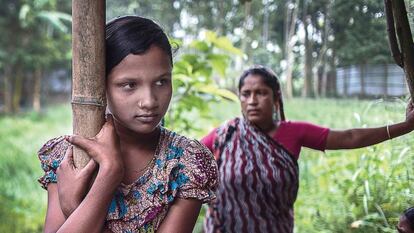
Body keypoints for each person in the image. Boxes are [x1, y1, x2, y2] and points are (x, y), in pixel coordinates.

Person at [37, 16, 218, 233]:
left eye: (161, 81)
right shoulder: (70, 157)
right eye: (129, 85)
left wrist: (74, 207)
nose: (149, 101)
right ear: (101, 86)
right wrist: (108, 175)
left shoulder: (184, 163)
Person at [201, 65, 414, 233]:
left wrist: (406, 126)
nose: (252, 101)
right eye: (246, 94)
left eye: (261, 93)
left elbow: (350, 138)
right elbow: (188, 157)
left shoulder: (294, 133)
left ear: (276, 98)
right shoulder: (224, 135)